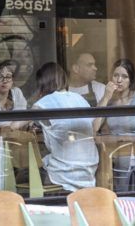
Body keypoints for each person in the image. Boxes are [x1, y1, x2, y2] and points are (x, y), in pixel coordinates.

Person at [94, 59, 135, 191]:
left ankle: (123, 195)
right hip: (115, 151)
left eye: (124, 76)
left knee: (123, 156)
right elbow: (95, 128)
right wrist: (106, 98)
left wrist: (129, 141)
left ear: (130, 80)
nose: (119, 80)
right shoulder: (109, 101)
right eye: (115, 75)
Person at [33, 62, 98, 191]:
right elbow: (93, 128)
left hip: (64, 173)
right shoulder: (80, 99)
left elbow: (16, 124)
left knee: (27, 171)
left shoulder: (44, 103)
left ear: (43, 83)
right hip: (89, 171)